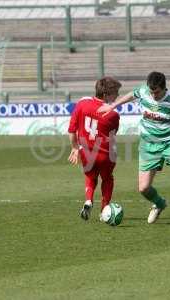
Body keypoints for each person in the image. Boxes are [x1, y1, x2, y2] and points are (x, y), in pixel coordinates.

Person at [97, 71, 170, 227]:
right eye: (151, 92)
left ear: (164, 88)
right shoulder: (145, 91)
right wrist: (112, 106)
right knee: (143, 188)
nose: (153, 95)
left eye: (157, 92)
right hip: (148, 144)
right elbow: (131, 95)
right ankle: (159, 203)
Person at [68, 76, 121, 221]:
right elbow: (113, 134)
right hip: (106, 154)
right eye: (115, 92)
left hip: (86, 152)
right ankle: (104, 210)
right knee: (107, 179)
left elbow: (72, 130)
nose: (118, 96)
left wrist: (74, 148)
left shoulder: (82, 103)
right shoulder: (113, 114)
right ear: (106, 95)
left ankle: (88, 200)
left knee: (90, 177)